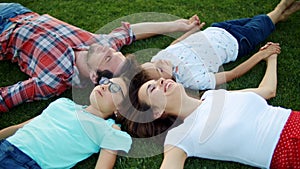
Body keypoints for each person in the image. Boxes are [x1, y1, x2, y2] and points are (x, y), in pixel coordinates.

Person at [119, 43, 300, 168]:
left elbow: (267, 90)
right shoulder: (179, 136)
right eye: (152, 89)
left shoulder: (212, 95)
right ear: (157, 112)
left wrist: (271, 58)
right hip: (288, 149)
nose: (160, 81)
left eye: (157, 80)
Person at [0, 3, 199, 112]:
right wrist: (177, 26)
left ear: (95, 77)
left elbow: (6, 98)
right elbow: (132, 32)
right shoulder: (102, 45)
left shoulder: (53, 79)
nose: (106, 50)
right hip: (17, 11)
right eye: (112, 53)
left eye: (107, 58)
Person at [0, 56, 142, 168]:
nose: (105, 87)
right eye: (106, 82)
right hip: (7, 145)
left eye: (115, 89)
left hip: (25, 164)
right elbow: (21, 127)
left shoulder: (109, 130)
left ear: (121, 109)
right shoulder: (63, 104)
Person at [141, 0, 300, 90]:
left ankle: (282, 14)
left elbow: (176, 43)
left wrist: (192, 30)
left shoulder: (161, 58)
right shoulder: (194, 80)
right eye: (159, 69)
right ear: (164, 81)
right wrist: (260, 55)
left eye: (154, 62)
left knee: (265, 21)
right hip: (238, 42)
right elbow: (231, 74)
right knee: (267, 19)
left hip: (219, 28)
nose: (160, 61)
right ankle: (282, 7)